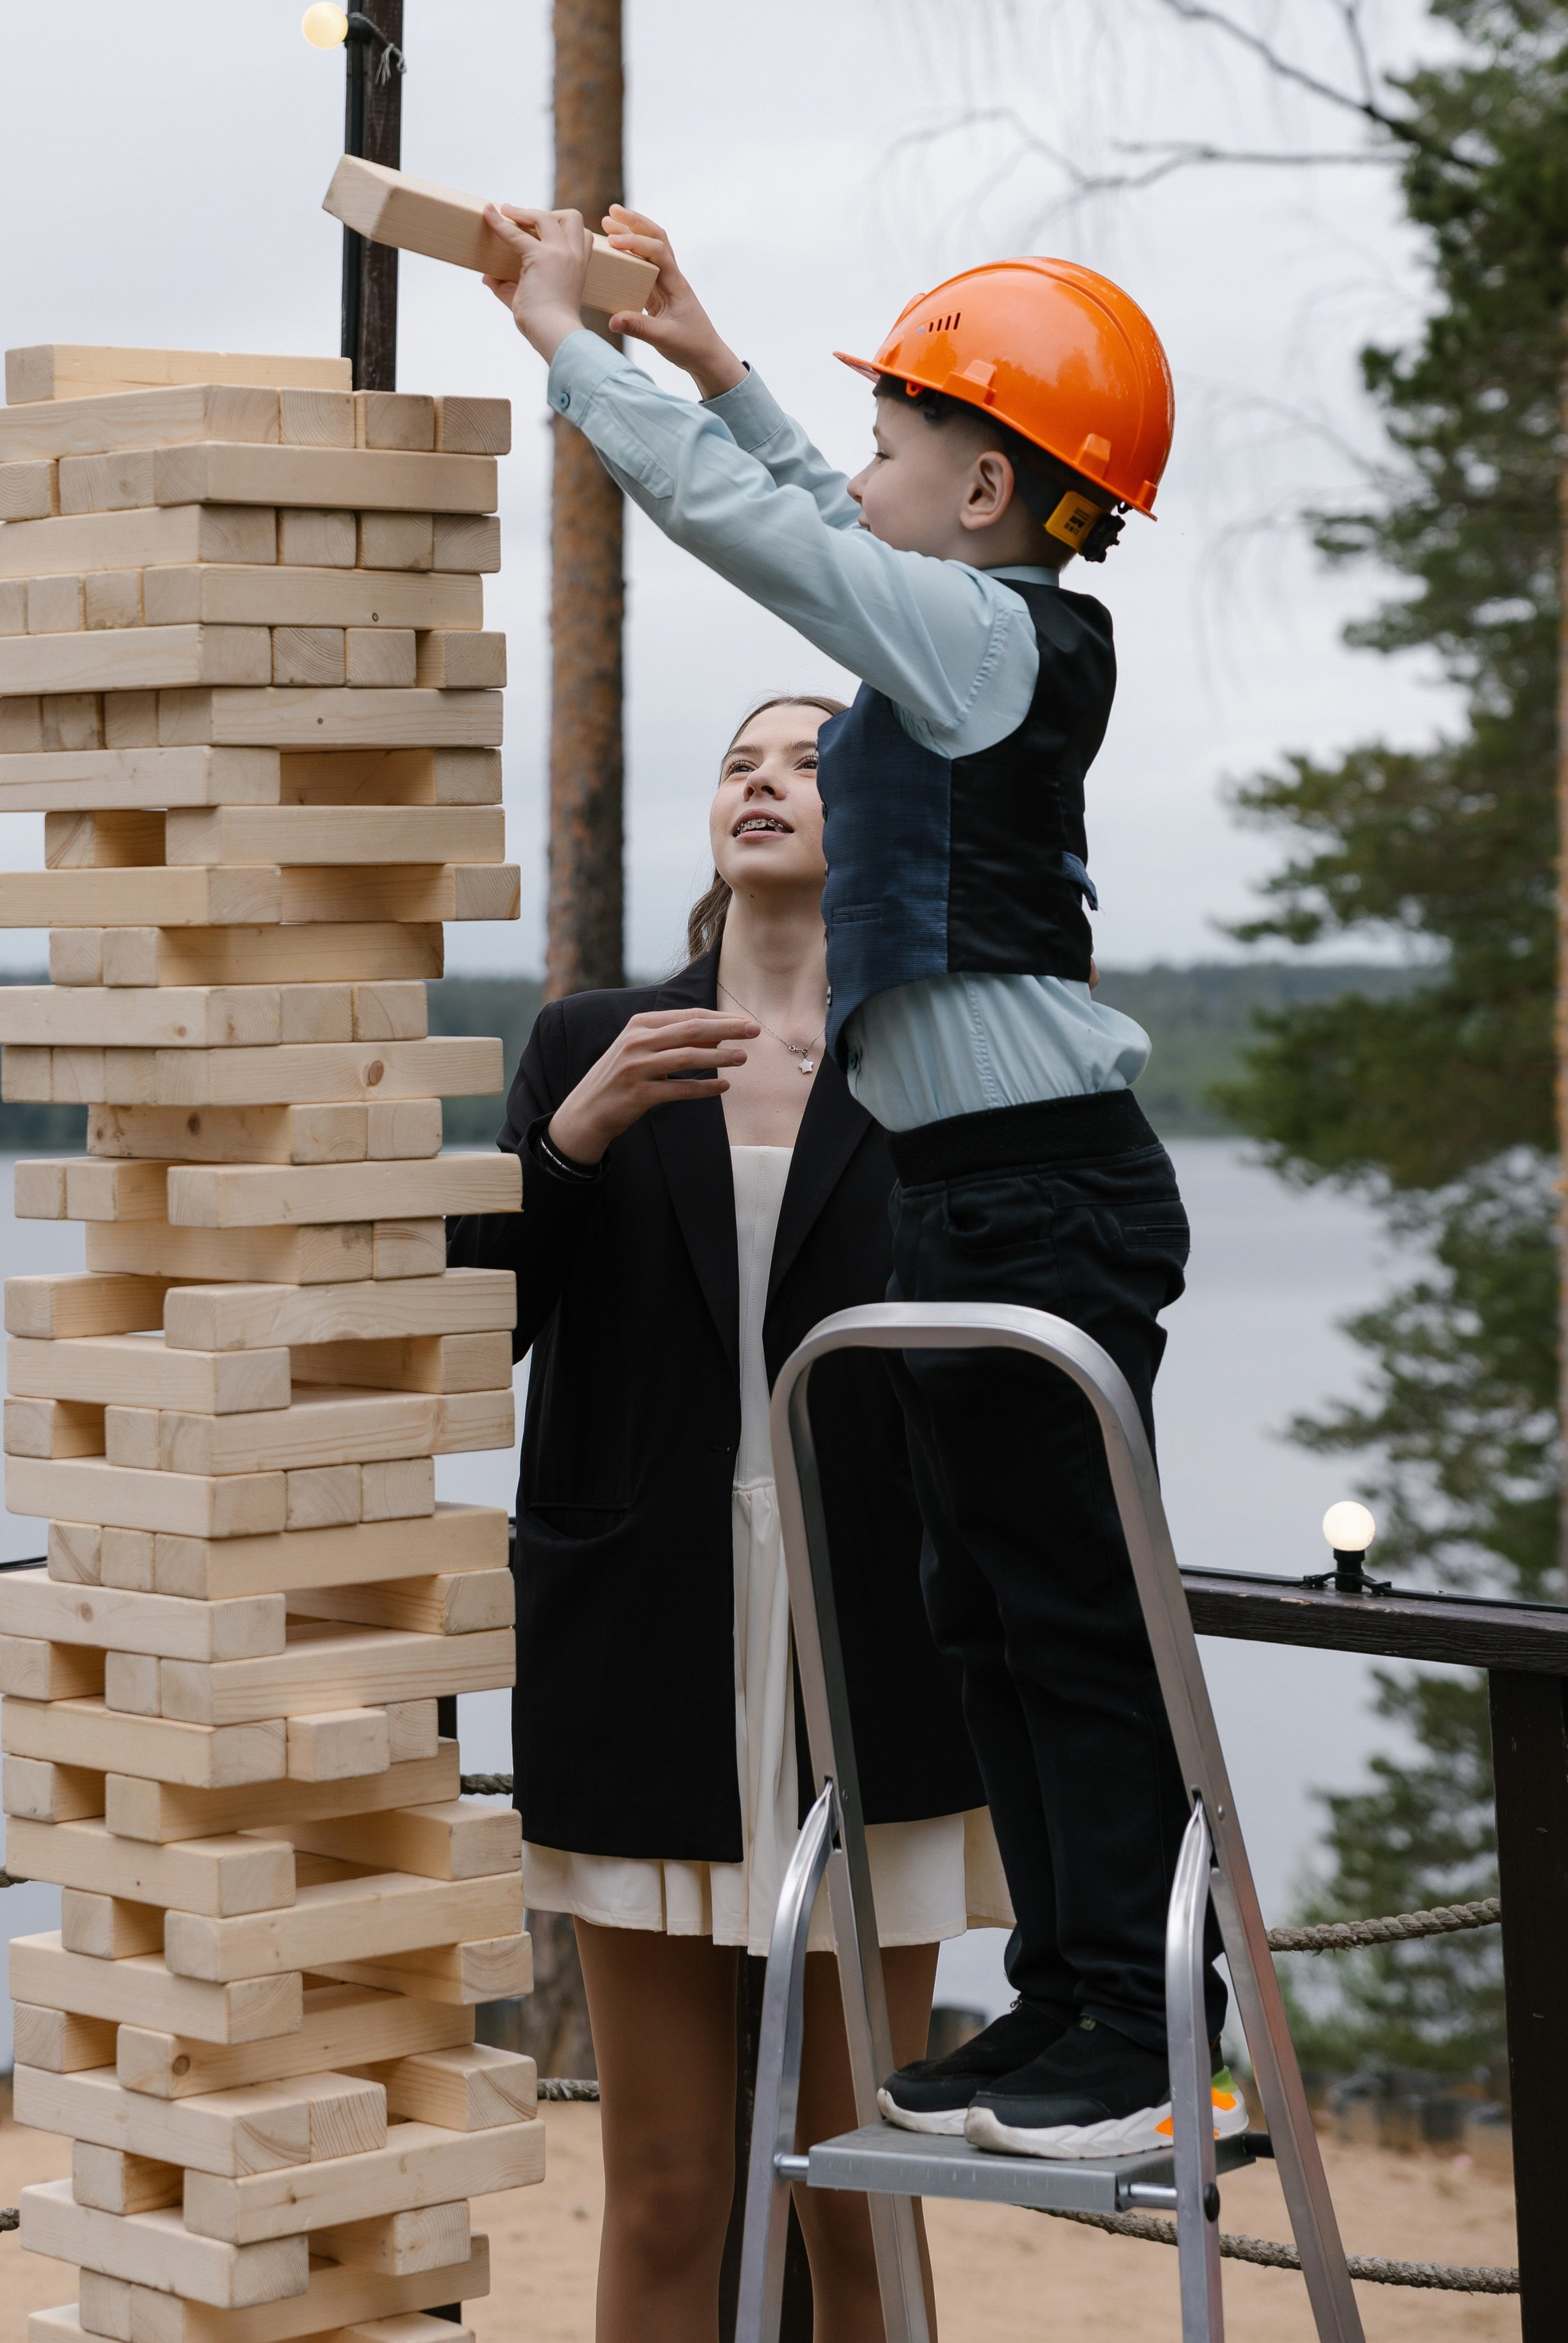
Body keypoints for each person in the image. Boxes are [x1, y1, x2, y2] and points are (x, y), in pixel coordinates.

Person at [479, 202, 1239, 2166]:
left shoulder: (986, 640)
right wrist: (710, 360)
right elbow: (819, 496)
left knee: (1066, 1615)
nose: (866, 470)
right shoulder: (972, 609)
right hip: (969, 1196)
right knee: (975, 1606)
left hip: (1038, 1192)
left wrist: (570, 348)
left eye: (902, 442)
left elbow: (770, 532)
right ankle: (1068, 2006)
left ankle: (1150, 2029)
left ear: (986, 484)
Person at [451, 692, 1009, 2343]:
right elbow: (463, 1338)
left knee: (861, 2190)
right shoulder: (584, 1043)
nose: (762, 782)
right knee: (672, 2184)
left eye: (812, 763)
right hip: (643, 1653)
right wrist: (567, 1143)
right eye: (738, 762)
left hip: (879, 1658)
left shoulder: (941, 1056)